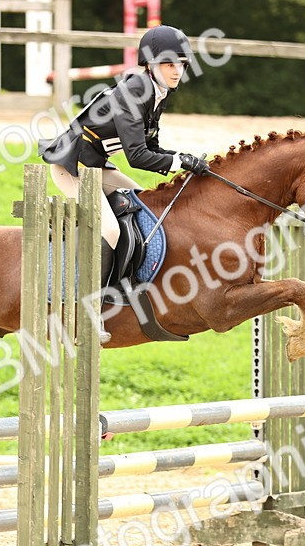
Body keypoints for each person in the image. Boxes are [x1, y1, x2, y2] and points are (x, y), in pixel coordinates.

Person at [38, 25, 210, 342]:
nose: (177, 71)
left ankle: (123, 281)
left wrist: (185, 160)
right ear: (150, 64)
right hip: (71, 168)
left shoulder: (157, 93)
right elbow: (137, 156)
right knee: (111, 229)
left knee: (142, 202)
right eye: (170, 63)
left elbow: (154, 149)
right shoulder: (135, 92)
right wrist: (179, 161)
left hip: (97, 167)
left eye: (182, 63)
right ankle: (88, 311)